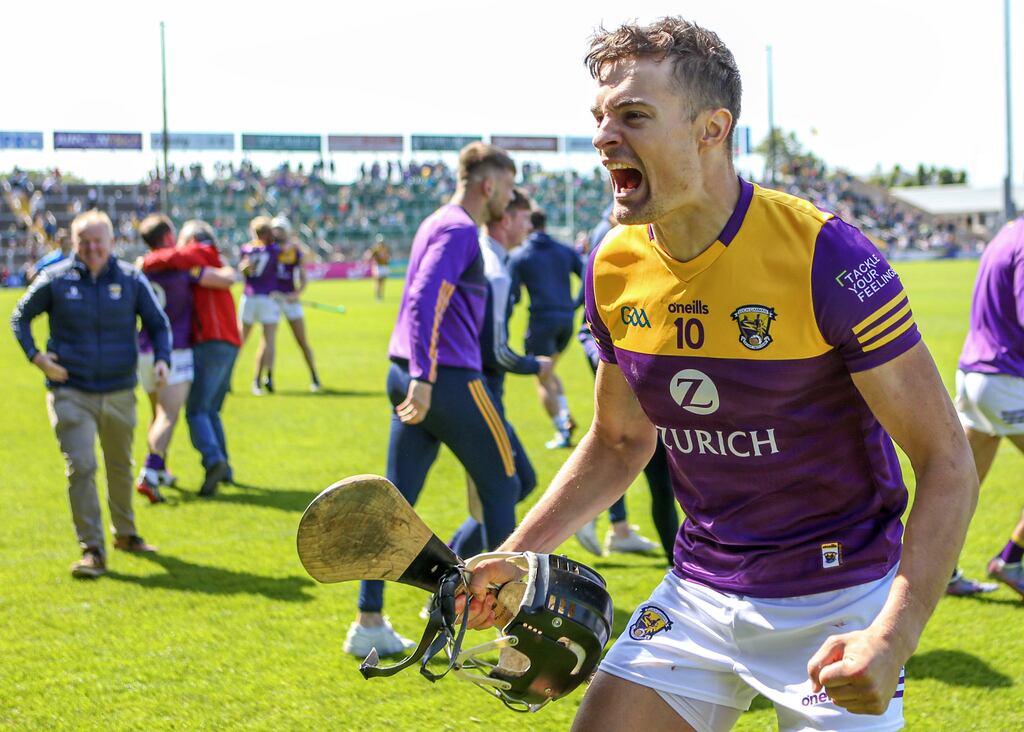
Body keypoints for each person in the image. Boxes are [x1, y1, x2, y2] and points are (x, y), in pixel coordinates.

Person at [464, 18, 979, 731]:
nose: (605, 137)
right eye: (600, 118)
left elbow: (947, 459)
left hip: (840, 599)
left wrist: (893, 634)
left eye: (633, 116)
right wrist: (517, 555)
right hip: (700, 591)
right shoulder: (612, 262)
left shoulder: (826, 255)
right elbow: (618, 442)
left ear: (713, 128)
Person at [344, 142, 521, 659]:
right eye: (507, 190)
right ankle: (505, 627)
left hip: (412, 374)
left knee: (397, 504)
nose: (507, 203)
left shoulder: (436, 221)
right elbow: (424, 297)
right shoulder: (461, 228)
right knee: (504, 485)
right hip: (445, 378)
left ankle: (369, 620)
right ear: (488, 184)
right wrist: (424, 374)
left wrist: (416, 375)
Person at [10, 210, 170, 578]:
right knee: (81, 466)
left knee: (119, 467)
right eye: (85, 242)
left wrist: (161, 359)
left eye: (99, 241)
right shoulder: (55, 278)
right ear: (73, 243)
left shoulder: (131, 278)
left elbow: (158, 324)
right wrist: (37, 358)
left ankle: (126, 534)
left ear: (112, 242)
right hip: (71, 391)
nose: (93, 248)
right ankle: (92, 550)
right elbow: (20, 316)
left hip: (118, 390)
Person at [448, 187, 552, 558]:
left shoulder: (489, 260)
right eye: (525, 218)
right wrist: (533, 365)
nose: (529, 226)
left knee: (512, 485)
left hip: (474, 387)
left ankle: (449, 570)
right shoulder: (494, 270)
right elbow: (494, 350)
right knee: (511, 485)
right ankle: (455, 574)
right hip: (479, 390)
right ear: (506, 220)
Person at [134, 214, 237, 503]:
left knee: (158, 415)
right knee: (175, 415)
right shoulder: (185, 268)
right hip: (175, 350)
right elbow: (221, 272)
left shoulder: (142, 269)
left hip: (144, 349)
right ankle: (151, 472)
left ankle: (163, 469)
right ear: (168, 238)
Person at [954, 217, 1024, 598]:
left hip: (974, 372)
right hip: (1007, 378)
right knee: (957, 482)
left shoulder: (1009, 231)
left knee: (958, 484)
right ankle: (1011, 560)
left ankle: (940, 571)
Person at [509, 208, 584, 448]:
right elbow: (590, 274)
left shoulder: (521, 255)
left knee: (541, 377)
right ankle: (564, 414)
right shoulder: (564, 250)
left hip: (541, 320)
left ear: (528, 225)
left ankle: (562, 429)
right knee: (549, 371)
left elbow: (514, 295)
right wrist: (576, 303)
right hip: (566, 320)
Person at [272, 216, 321, 392]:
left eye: (280, 229)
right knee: (268, 341)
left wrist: (297, 293)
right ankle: (262, 379)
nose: (277, 232)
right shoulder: (268, 248)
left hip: (289, 299)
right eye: (275, 229)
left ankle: (315, 377)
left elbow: (303, 277)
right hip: (273, 300)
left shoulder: (294, 249)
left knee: (302, 341)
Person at [238, 216, 281, 395]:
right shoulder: (274, 250)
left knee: (239, 340)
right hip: (267, 297)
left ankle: (225, 378)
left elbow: (243, 269)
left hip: (249, 297)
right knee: (268, 341)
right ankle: (264, 378)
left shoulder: (246, 249)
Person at [364, 234, 391, 301]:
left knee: (382, 282)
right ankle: (377, 296)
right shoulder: (375, 249)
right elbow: (369, 255)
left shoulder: (386, 248)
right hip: (378, 266)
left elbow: (388, 256)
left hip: (384, 266)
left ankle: (380, 295)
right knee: (378, 281)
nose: (380, 243)